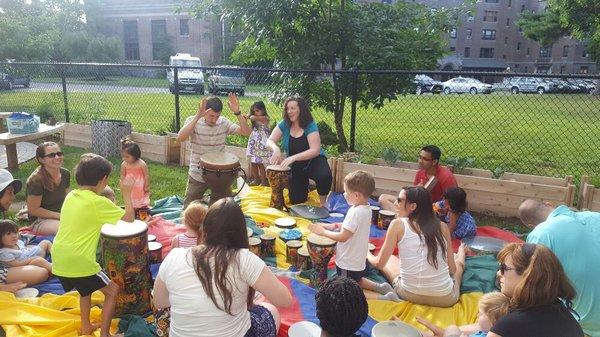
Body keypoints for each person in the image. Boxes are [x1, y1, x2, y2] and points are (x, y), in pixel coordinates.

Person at [153, 197, 293, 337]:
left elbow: (159, 301)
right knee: (271, 310)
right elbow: (285, 300)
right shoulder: (245, 259)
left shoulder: (174, 256)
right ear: (241, 232)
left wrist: (191, 302)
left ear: (205, 228)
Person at [51, 153, 135, 337]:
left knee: (85, 290)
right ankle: (105, 334)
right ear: (103, 180)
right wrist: (127, 194)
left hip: (57, 258)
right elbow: (129, 218)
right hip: (79, 261)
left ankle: (86, 326)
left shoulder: (71, 195)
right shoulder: (98, 202)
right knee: (112, 291)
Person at [368, 186, 466, 307]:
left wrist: (366, 252)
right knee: (458, 266)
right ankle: (462, 252)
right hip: (445, 298)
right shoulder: (443, 227)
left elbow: (379, 264)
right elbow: (452, 270)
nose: (395, 203)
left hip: (408, 293)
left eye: (399, 200)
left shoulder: (397, 225)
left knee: (391, 260)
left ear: (413, 206)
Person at [309, 171, 399, 301]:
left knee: (346, 290)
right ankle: (381, 286)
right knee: (356, 279)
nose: (344, 195)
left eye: (346, 192)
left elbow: (343, 237)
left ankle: (383, 297)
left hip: (348, 262)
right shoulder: (366, 208)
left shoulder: (355, 213)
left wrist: (322, 232)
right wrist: (332, 226)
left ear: (356, 195)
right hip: (358, 261)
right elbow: (351, 227)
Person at [517, 199, 600, 336]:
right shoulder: (595, 216)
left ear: (532, 225)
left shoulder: (540, 235)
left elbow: (533, 285)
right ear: (549, 204)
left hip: (588, 322)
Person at [488, 243, 583, 337]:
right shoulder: (571, 323)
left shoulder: (506, 328)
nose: (499, 273)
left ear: (527, 275)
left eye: (504, 268)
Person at [177, 94, 252, 208]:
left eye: (217, 116)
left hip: (220, 175)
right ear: (204, 111)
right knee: (189, 210)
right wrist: (197, 116)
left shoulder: (223, 122)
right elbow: (180, 138)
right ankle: (206, 200)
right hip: (198, 173)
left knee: (224, 211)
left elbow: (246, 132)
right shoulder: (193, 121)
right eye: (211, 116)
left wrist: (237, 112)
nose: (214, 119)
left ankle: (212, 202)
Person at [266, 96, 332, 207]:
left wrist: (293, 157)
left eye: (293, 108)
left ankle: (324, 203)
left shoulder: (310, 125)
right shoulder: (285, 124)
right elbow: (270, 140)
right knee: (296, 200)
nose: (289, 111)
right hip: (297, 166)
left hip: (314, 161)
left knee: (324, 176)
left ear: (301, 109)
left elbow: (315, 150)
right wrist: (276, 149)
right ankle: (303, 187)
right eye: (287, 109)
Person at [0, 169, 50, 288]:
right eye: (9, 192)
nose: (13, 197)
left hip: (8, 261)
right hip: (3, 269)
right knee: (41, 273)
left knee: (39, 250)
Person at [379, 145, 457, 211]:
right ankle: (404, 219)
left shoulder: (446, 177)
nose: (420, 161)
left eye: (425, 159)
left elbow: (453, 202)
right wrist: (415, 190)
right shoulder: (420, 172)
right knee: (383, 199)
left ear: (434, 162)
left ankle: (405, 220)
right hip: (415, 206)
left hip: (432, 211)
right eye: (420, 157)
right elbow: (413, 197)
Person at [417, 291, 510, 337]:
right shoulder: (483, 332)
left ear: (493, 320)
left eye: (481, 314)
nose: (477, 316)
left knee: (452, 330)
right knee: (452, 329)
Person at [26, 142, 70, 235]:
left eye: (59, 154)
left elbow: (67, 198)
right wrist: (60, 216)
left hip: (61, 213)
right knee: (67, 229)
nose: (57, 157)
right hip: (40, 220)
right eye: (52, 155)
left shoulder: (65, 173)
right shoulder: (36, 180)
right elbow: (33, 210)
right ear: (41, 159)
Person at [245, 101, 272, 186]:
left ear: (263, 110)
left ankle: (263, 181)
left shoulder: (265, 118)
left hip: (261, 143)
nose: (255, 113)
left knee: (260, 163)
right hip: (254, 141)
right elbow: (251, 118)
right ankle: (256, 180)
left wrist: (250, 115)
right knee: (253, 162)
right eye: (254, 111)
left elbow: (253, 118)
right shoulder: (254, 117)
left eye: (257, 111)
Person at [120, 137, 150, 213]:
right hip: (130, 185)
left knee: (140, 198)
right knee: (130, 198)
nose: (124, 158)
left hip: (140, 186)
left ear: (135, 155)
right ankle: (131, 210)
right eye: (123, 156)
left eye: (127, 157)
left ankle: (142, 210)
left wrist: (146, 185)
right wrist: (123, 183)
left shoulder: (141, 164)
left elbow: (146, 175)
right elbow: (123, 175)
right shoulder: (124, 164)